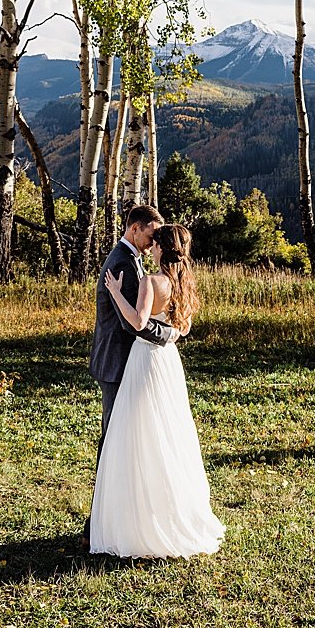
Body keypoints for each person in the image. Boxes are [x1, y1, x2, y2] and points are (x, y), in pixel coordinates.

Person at [88, 219, 226, 559]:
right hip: (168, 362)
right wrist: (172, 335)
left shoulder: (150, 280)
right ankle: (167, 512)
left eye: (155, 243)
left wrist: (117, 293)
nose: (150, 248)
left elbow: (136, 323)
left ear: (162, 248)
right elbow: (184, 327)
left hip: (145, 359)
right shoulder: (184, 282)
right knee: (168, 430)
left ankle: (133, 519)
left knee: (136, 432)